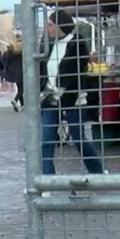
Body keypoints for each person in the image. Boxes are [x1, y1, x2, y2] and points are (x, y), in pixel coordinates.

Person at [40, 10, 104, 175]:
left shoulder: (77, 44)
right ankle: (48, 180)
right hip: (50, 100)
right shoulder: (47, 44)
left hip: (73, 99)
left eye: (51, 25)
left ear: (61, 26)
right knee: (46, 141)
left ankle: (97, 171)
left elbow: (76, 74)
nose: (48, 28)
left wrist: (62, 90)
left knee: (79, 139)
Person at [3, 35, 24, 112]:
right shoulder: (24, 49)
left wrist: (6, 70)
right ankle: (15, 100)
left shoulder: (10, 50)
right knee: (23, 89)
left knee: (19, 88)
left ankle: (22, 104)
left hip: (14, 72)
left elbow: (6, 61)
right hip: (22, 70)